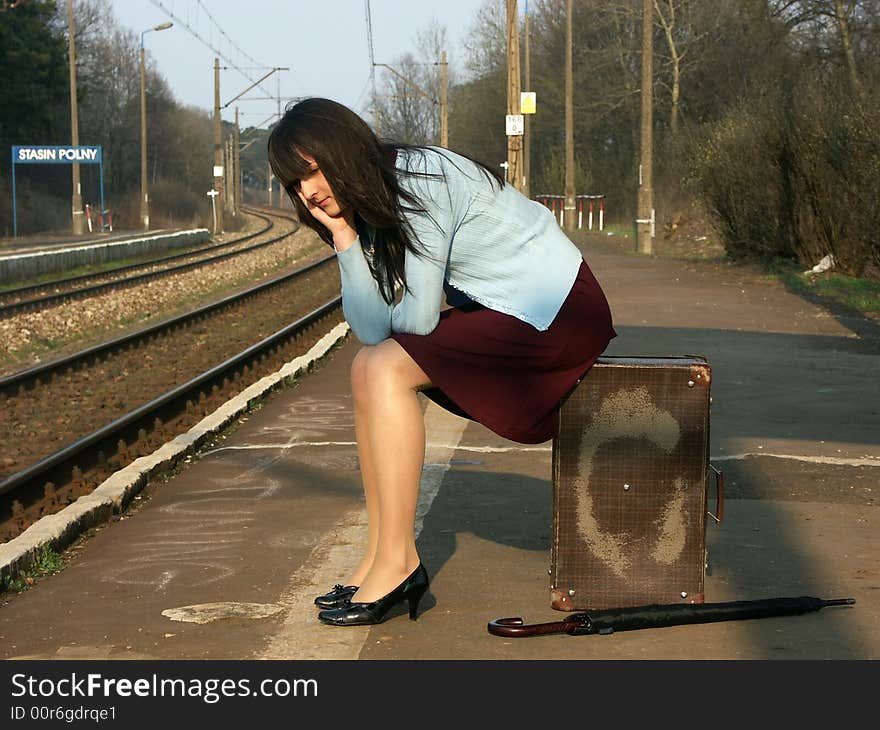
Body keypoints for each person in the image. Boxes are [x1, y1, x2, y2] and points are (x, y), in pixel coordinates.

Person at [267, 97, 616, 627]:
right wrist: (344, 238)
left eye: (312, 171)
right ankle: (381, 557)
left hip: (558, 311)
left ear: (342, 150)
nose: (308, 192)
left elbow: (417, 319)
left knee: (384, 369)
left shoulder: (421, 181)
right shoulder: (378, 202)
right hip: (510, 309)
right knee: (368, 365)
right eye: (295, 183)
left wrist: (388, 317)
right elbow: (369, 328)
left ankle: (400, 561)